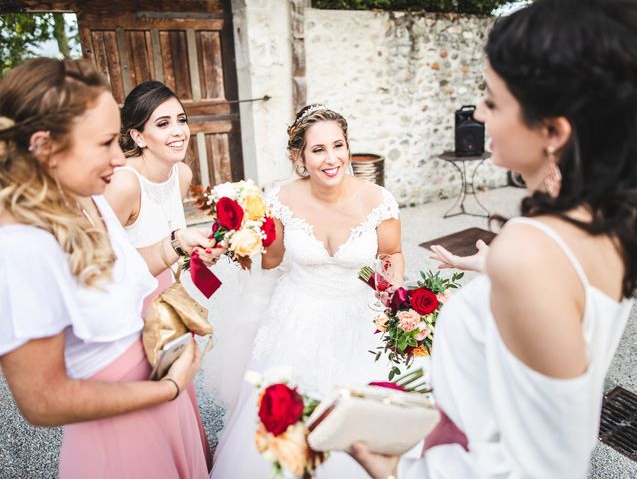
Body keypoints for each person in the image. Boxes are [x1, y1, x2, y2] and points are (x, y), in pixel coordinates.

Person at [349, 0, 637, 477]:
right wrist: (487, 268)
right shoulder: (610, 220)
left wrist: (396, 472)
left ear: (552, 130)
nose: (479, 115)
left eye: (492, 99)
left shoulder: (528, 253)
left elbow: (543, 468)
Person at [0, 58, 209, 478]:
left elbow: (131, 268)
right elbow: (43, 401)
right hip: (119, 434)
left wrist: (175, 244)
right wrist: (166, 388)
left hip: (163, 397)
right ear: (45, 147)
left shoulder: (90, 198)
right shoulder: (19, 247)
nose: (119, 159)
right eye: (105, 143)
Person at [210, 105, 405, 477]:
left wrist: (390, 290)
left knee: (360, 422)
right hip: (297, 315)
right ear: (298, 157)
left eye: (339, 146)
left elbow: (391, 254)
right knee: (284, 423)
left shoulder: (379, 201)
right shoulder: (281, 198)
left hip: (358, 318)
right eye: (318, 150)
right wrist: (246, 236)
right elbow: (271, 261)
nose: (332, 159)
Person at [104, 80, 221, 313]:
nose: (178, 130)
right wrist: (177, 244)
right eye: (163, 123)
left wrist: (198, 249)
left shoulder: (182, 174)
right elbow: (104, 267)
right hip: (130, 305)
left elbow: (167, 237)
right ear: (138, 137)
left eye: (181, 120)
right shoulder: (124, 184)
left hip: (169, 296)